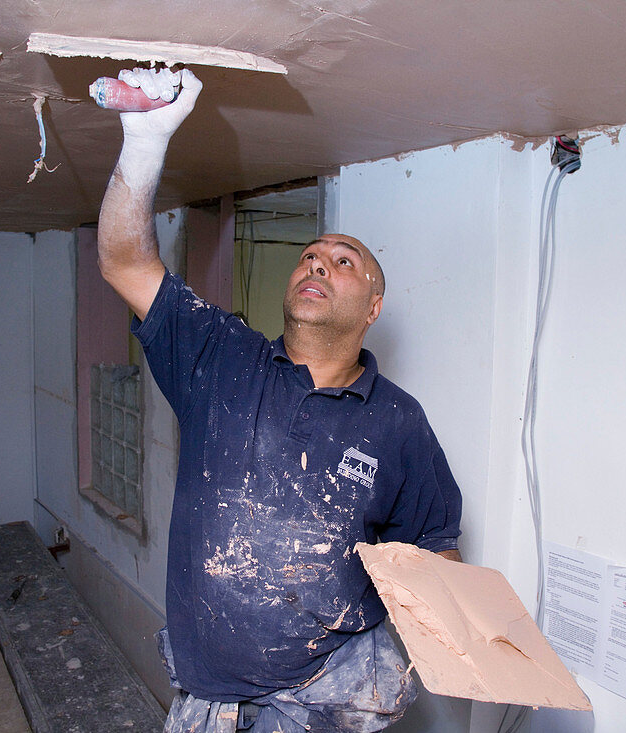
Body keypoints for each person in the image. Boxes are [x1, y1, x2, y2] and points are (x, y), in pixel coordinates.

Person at [97, 67, 463, 733]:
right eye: (309, 255)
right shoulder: (219, 357)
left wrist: (465, 630)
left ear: (372, 306)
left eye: (343, 261)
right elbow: (125, 261)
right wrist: (144, 142)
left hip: (325, 706)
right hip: (210, 701)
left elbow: (433, 545)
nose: (317, 261)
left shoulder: (397, 420)